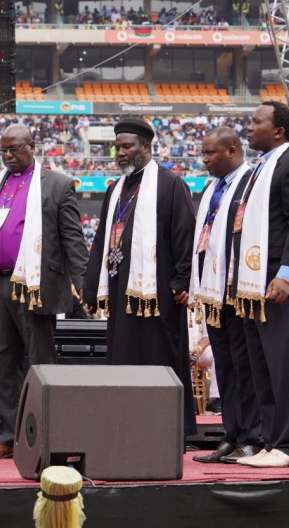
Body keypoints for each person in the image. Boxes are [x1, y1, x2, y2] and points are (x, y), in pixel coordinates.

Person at [0, 124, 88, 460]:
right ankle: (5, 435)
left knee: (39, 360)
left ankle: (42, 435)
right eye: (4, 151)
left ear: (32, 145)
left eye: (15, 149)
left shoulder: (57, 184)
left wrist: (84, 284)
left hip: (35, 286)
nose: (9, 156)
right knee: (1, 359)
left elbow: (73, 239)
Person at [82, 117, 197, 440]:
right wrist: (91, 287)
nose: (120, 152)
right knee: (123, 358)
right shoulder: (115, 190)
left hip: (159, 294)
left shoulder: (170, 185)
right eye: (117, 147)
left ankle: (169, 428)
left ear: (145, 147)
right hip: (121, 292)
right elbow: (102, 238)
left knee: (160, 358)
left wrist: (181, 282)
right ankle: (126, 425)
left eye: (127, 146)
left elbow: (184, 236)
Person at [232, 102, 289, 468]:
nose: (248, 128)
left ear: (278, 131)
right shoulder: (258, 170)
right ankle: (272, 441)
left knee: (284, 368)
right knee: (262, 369)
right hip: (253, 287)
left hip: (281, 286)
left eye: (256, 122)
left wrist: (285, 274)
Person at [189, 127, 261, 464]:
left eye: (210, 153)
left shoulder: (251, 183)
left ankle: (253, 437)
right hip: (213, 291)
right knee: (227, 368)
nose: (204, 160)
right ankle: (231, 436)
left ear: (232, 151)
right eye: (203, 153)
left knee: (246, 367)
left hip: (239, 289)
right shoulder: (211, 189)